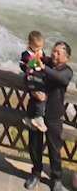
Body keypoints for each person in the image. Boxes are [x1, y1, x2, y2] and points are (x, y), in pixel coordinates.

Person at [25, 41, 73, 191]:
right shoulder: (43, 61)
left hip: (54, 114)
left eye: (58, 53)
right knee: (34, 145)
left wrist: (43, 67)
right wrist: (33, 91)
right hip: (36, 110)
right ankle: (36, 173)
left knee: (54, 148)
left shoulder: (67, 71)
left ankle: (56, 178)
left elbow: (60, 78)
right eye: (53, 51)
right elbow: (27, 73)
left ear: (67, 57)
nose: (54, 54)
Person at [21, 30, 48, 133]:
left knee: (34, 99)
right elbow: (24, 65)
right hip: (31, 78)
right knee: (40, 97)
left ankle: (29, 117)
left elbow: (45, 62)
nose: (38, 49)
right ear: (29, 44)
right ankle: (38, 117)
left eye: (40, 47)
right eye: (36, 47)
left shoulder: (41, 52)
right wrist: (35, 59)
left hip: (39, 78)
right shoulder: (26, 54)